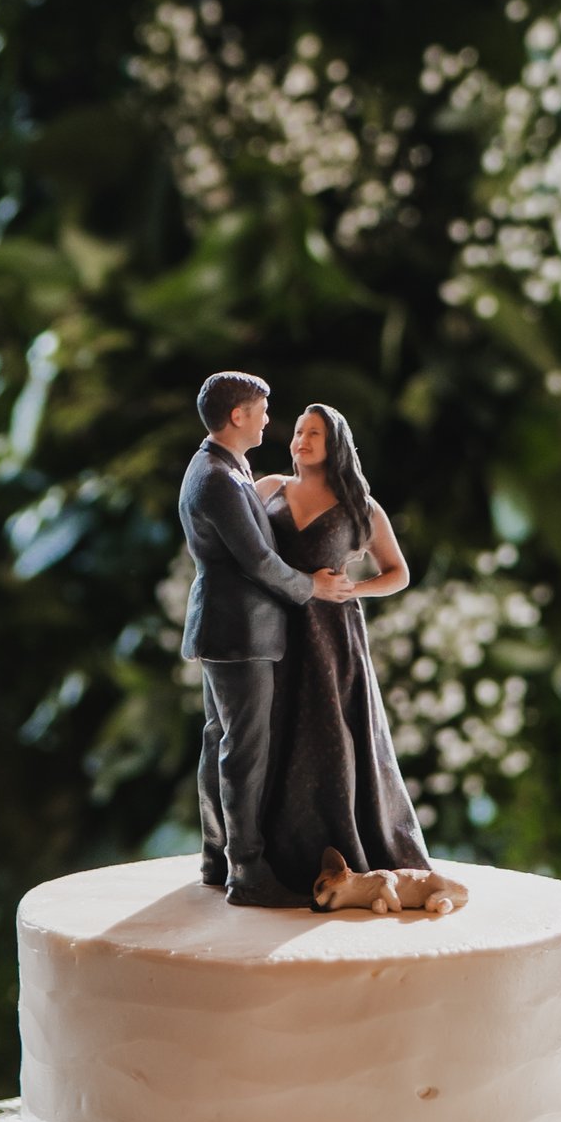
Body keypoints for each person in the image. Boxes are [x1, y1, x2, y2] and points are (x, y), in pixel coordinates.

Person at [178, 369, 355, 910]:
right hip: (241, 632)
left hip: (227, 626)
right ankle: (246, 871)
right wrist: (312, 587)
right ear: (238, 416)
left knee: (219, 742)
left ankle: (216, 854)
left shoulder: (222, 467)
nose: (268, 420)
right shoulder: (218, 478)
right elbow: (256, 558)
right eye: (261, 410)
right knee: (242, 752)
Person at [259, 399, 432, 907]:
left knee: (333, 731)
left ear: (335, 443)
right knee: (273, 730)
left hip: (331, 633)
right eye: (297, 431)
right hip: (276, 625)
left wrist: (354, 591)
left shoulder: (361, 507)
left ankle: (343, 844)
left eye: (314, 433)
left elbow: (397, 572)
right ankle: (270, 855)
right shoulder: (268, 489)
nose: (302, 441)